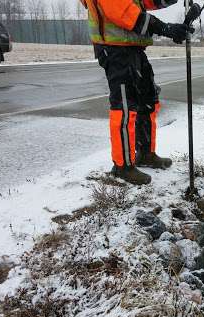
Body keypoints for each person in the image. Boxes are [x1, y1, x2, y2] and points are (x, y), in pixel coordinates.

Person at [80, 0, 191, 185]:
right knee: (124, 107)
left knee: (147, 101)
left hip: (133, 48)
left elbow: (143, 1)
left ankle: (145, 153)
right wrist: (165, 28)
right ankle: (122, 166)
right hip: (115, 50)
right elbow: (126, 13)